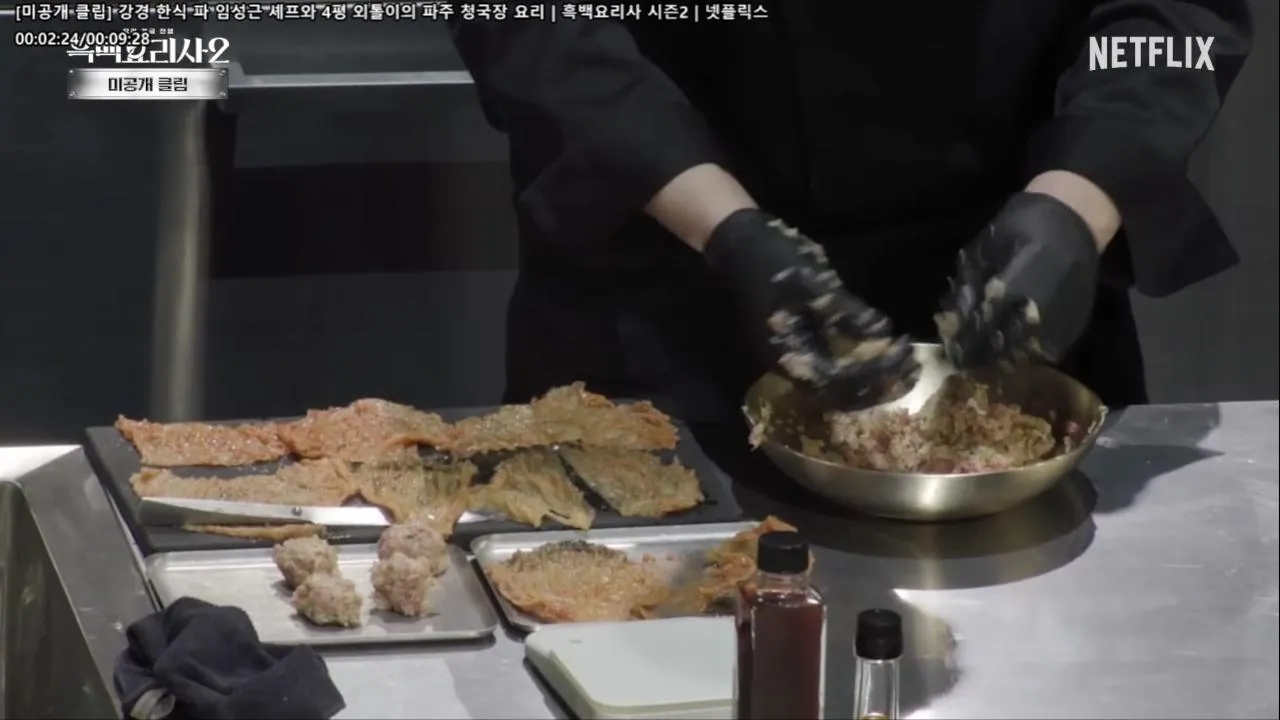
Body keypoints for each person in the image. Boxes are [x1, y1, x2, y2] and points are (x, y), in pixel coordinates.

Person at [448, 2, 1252, 429]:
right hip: (669, 284)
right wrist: (723, 224)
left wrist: (1080, 199)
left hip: (1014, 286)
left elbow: (1174, 18)